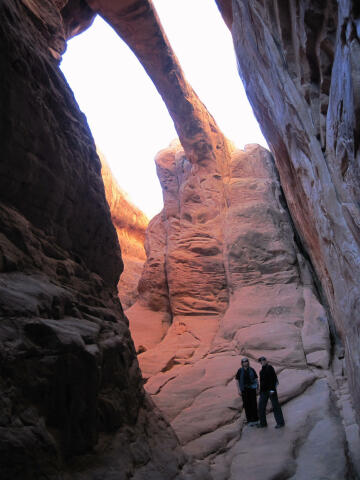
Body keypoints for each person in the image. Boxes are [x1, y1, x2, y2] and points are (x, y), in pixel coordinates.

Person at [257, 356, 285, 429]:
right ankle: (263, 423)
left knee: (276, 406)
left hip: (271, 391)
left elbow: (274, 379)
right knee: (261, 407)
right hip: (264, 392)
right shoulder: (261, 371)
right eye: (261, 361)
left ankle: (280, 423)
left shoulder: (270, 368)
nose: (262, 361)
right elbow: (262, 382)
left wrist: (272, 390)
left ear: (266, 361)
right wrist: (260, 391)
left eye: (263, 360)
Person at [235, 357, 259, 426]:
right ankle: (249, 420)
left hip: (252, 389)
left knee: (253, 403)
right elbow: (237, 380)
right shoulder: (240, 370)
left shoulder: (252, 370)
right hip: (244, 390)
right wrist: (239, 390)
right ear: (242, 363)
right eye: (244, 362)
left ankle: (255, 419)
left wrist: (257, 388)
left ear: (248, 362)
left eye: (246, 361)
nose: (245, 363)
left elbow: (256, 379)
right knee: (246, 405)